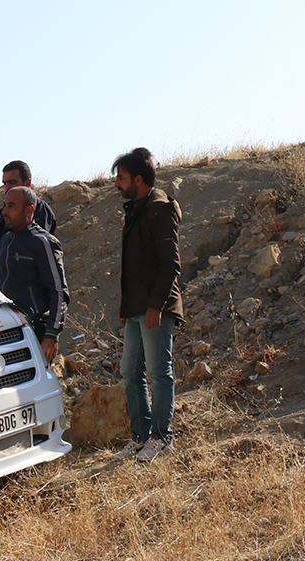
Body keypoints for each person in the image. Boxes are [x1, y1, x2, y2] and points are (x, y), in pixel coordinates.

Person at [110, 148, 184, 462]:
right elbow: (134, 265)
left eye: (121, 177)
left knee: (158, 373)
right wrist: (126, 306)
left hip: (156, 308)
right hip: (136, 308)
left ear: (138, 180)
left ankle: (162, 438)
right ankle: (140, 438)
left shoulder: (160, 210)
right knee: (130, 372)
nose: (117, 183)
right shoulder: (135, 209)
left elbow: (171, 265)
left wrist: (156, 305)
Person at [0, 186, 68, 364]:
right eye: (4, 205)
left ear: (29, 210)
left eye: (11, 206)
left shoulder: (43, 243)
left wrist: (51, 335)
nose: (4, 211)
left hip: (33, 331)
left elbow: (59, 292)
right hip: (5, 329)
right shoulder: (6, 240)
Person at [0, 160, 57, 266]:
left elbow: (36, 248)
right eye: (5, 183)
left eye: (12, 182)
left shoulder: (40, 210)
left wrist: (0, 257)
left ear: (27, 183)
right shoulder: (3, 211)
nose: (7, 187)